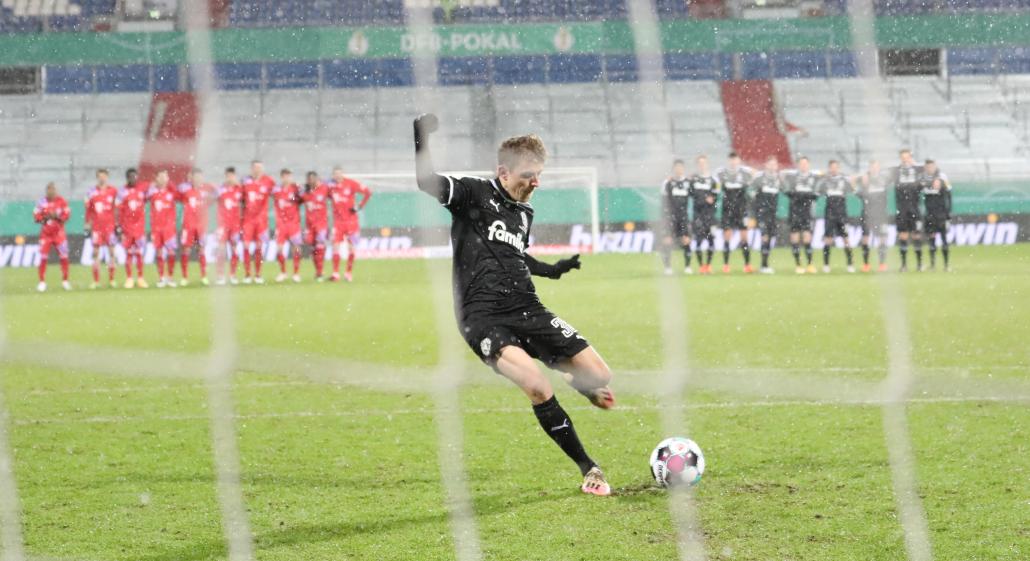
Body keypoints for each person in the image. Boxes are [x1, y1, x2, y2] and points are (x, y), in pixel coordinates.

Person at [414, 113, 615, 496]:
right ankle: (589, 467)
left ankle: (576, 379)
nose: (535, 182)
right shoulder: (472, 194)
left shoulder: (524, 212)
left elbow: (516, 256)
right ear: (503, 172)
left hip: (528, 307)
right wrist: (420, 135)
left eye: (539, 174)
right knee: (538, 387)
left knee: (600, 376)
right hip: (482, 317)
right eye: (528, 175)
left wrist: (553, 270)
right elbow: (427, 181)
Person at [328, 166, 372, 282]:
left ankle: (348, 273)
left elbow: (368, 192)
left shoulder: (351, 184)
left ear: (343, 174)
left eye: (339, 173)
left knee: (351, 248)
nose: (337, 176)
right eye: (335, 174)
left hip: (351, 221)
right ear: (333, 176)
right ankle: (336, 273)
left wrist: (359, 206)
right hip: (338, 222)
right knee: (335, 246)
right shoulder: (330, 187)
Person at [715, 152, 754, 273]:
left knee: (744, 237)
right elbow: (714, 181)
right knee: (727, 236)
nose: (733, 162)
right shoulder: (721, 173)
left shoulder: (745, 173)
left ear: (739, 161)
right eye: (731, 160)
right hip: (727, 210)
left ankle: (747, 265)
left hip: (741, 210)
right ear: (729, 161)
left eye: (735, 160)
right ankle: (726, 265)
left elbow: (755, 173)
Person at [178, 169, 216, 286]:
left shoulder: (206, 190)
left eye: (200, 177)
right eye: (196, 177)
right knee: (186, 250)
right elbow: (177, 193)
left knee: (201, 250)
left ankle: (204, 276)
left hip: (201, 226)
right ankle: (185, 277)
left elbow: (216, 193)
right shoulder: (185, 190)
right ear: (192, 178)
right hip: (188, 225)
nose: (199, 179)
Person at [782, 156, 820, 274]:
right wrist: (798, 194)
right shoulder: (792, 177)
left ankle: (809, 264)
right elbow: (786, 191)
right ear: (798, 165)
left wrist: (806, 195)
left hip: (807, 212)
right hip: (794, 212)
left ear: (808, 165)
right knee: (795, 238)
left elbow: (816, 195)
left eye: (805, 164)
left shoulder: (813, 178)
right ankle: (798, 265)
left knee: (807, 237)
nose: (803, 166)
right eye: (801, 164)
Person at [33, 182, 71, 292]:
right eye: (49, 190)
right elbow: (36, 217)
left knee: (64, 257)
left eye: (53, 189)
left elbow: (66, 216)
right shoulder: (41, 202)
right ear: (47, 191)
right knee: (43, 258)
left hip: (59, 234)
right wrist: (46, 217)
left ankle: (65, 281)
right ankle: (42, 282)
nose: (52, 191)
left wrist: (57, 217)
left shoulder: (62, 201)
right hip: (45, 235)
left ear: (56, 191)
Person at [241, 160, 275, 284]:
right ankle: (247, 274)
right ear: (251, 169)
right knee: (246, 246)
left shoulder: (269, 181)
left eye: (260, 167)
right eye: (255, 167)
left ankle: (258, 274)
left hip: (261, 221)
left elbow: (278, 193)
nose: (258, 170)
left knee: (259, 247)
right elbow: (240, 198)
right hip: (248, 220)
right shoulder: (245, 182)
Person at [818, 160, 855, 273]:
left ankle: (850, 264)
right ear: (829, 168)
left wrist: (853, 182)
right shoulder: (825, 181)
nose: (834, 169)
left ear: (838, 168)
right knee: (828, 239)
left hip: (842, 214)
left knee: (846, 239)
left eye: (836, 167)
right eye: (832, 167)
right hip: (829, 214)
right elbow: (819, 192)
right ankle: (826, 265)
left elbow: (852, 190)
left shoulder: (844, 181)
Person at [84, 169, 119, 288]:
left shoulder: (113, 191)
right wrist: (87, 224)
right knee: (95, 253)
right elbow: (88, 210)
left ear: (107, 177)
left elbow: (117, 208)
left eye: (104, 176)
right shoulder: (91, 192)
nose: (102, 178)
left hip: (110, 227)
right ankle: (96, 280)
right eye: (100, 176)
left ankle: (112, 279)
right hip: (96, 228)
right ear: (97, 177)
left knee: (112, 253)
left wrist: (117, 224)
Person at [749, 155, 783, 274]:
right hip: (762, 213)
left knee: (770, 238)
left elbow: (786, 189)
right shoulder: (759, 178)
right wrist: (753, 213)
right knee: (765, 237)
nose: (773, 166)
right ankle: (764, 265)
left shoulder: (778, 179)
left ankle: (764, 264)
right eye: (771, 164)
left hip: (773, 214)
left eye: (775, 164)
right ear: (766, 165)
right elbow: (751, 194)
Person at [116, 169, 149, 289]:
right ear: (127, 178)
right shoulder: (122, 192)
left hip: (139, 228)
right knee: (129, 253)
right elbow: (118, 210)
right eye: (131, 177)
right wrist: (118, 226)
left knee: (139, 253)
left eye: (135, 177)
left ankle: (140, 278)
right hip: (127, 228)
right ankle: (129, 278)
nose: (133, 179)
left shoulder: (142, 190)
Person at [891, 149, 923, 272]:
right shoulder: (896, 171)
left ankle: (919, 264)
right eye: (903, 157)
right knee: (903, 236)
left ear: (910, 157)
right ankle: (904, 265)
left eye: (907, 157)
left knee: (916, 235)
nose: (905, 159)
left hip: (914, 209)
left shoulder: (917, 170)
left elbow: (927, 172)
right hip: (902, 210)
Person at [659, 159, 692, 275]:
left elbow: (696, 196)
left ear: (683, 169)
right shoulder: (667, 183)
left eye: (680, 168)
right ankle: (667, 267)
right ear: (674, 169)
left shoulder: (688, 183)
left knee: (686, 240)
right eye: (677, 168)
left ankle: (688, 267)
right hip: (670, 217)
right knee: (667, 241)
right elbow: (663, 201)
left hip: (683, 217)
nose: (679, 170)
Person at [855, 160, 889, 272]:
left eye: (876, 167)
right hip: (867, 213)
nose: (874, 169)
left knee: (882, 238)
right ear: (869, 168)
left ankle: (882, 264)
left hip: (880, 213)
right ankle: (866, 264)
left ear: (879, 168)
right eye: (872, 167)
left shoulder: (884, 179)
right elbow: (858, 194)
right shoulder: (864, 179)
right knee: (865, 238)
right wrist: (864, 186)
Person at [147, 170, 179, 288]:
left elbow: (179, 194)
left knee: (171, 252)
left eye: (165, 177)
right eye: (160, 176)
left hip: (169, 228)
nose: (163, 179)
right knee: (159, 252)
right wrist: (153, 184)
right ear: (156, 178)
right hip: (156, 228)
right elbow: (144, 195)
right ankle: (161, 278)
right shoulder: (152, 193)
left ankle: (170, 278)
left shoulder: (172, 192)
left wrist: (169, 183)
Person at [688, 155, 719, 274]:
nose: (702, 165)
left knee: (711, 240)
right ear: (697, 165)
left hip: (710, 216)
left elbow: (716, 196)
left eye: (704, 163)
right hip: (698, 215)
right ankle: (701, 266)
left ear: (707, 164)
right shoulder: (693, 180)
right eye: (700, 163)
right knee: (699, 241)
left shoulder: (713, 180)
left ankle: (709, 265)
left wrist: (713, 200)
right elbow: (689, 193)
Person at [919, 160, 952, 271]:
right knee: (931, 239)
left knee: (943, 239)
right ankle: (933, 265)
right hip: (929, 215)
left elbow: (949, 195)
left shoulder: (942, 177)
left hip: (941, 215)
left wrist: (948, 213)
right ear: (925, 167)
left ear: (935, 166)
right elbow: (918, 191)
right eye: (928, 167)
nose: (930, 168)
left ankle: (946, 265)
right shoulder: (922, 178)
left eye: (931, 166)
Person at [273, 169, 304, 283]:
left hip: (293, 223)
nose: (287, 178)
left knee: (296, 247)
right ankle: (283, 272)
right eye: (285, 176)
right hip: (281, 224)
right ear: (281, 177)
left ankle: (296, 273)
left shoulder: (296, 188)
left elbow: (304, 197)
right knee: (279, 248)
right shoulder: (276, 190)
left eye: (289, 176)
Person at [215, 167, 244, 285]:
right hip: (223, 224)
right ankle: (221, 275)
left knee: (234, 249)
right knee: (221, 249)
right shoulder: (220, 190)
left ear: (235, 176)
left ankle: (232, 274)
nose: (230, 178)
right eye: (228, 176)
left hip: (235, 224)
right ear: (225, 176)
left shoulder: (240, 190)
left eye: (232, 176)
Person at [302, 171, 331, 282]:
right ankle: (318, 271)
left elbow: (334, 194)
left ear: (317, 179)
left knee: (320, 246)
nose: (312, 181)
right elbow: (295, 200)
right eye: (309, 180)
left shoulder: (324, 189)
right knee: (313, 248)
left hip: (321, 224)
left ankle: (320, 272)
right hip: (309, 226)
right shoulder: (305, 193)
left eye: (313, 179)